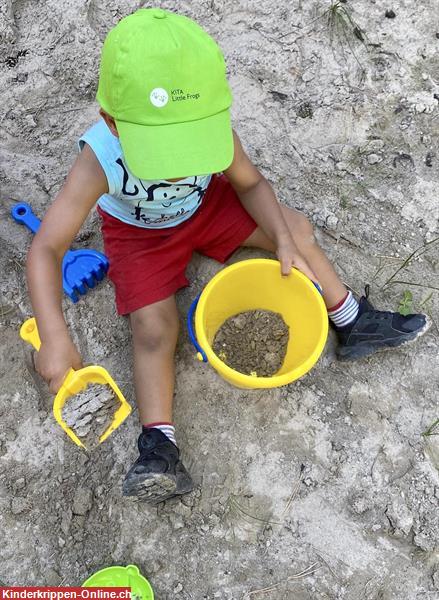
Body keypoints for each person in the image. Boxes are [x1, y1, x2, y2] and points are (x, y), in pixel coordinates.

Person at [26, 8, 428, 503]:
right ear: (113, 121)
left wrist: (281, 236)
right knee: (154, 328)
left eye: (187, 148)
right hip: (139, 235)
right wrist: (54, 336)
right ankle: (159, 444)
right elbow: (46, 248)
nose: (175, 169)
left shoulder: (215, 133)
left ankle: (351, 319)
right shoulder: (99, 159)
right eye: (161, 153)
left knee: (298, 229)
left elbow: (252, 183)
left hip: (206, 208)